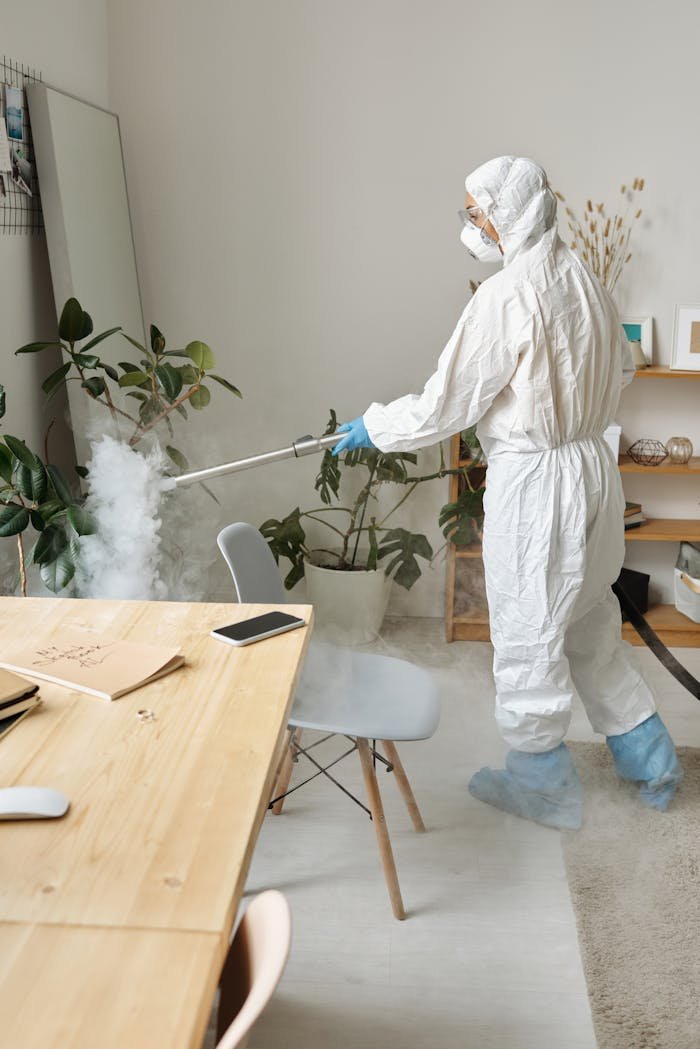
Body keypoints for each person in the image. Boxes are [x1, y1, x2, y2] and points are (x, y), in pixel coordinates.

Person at [332, 155, 683, 830]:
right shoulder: (585, 279)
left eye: (477, 212)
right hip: (592, 472)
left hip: (539, 488)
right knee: (589, 627)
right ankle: (653, 762)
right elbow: (622, 371)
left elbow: (447, 403)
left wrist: (377, 426)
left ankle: (542, 785)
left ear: (509, 212)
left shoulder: (505, 296)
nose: (473, 226)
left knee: (528, 634)